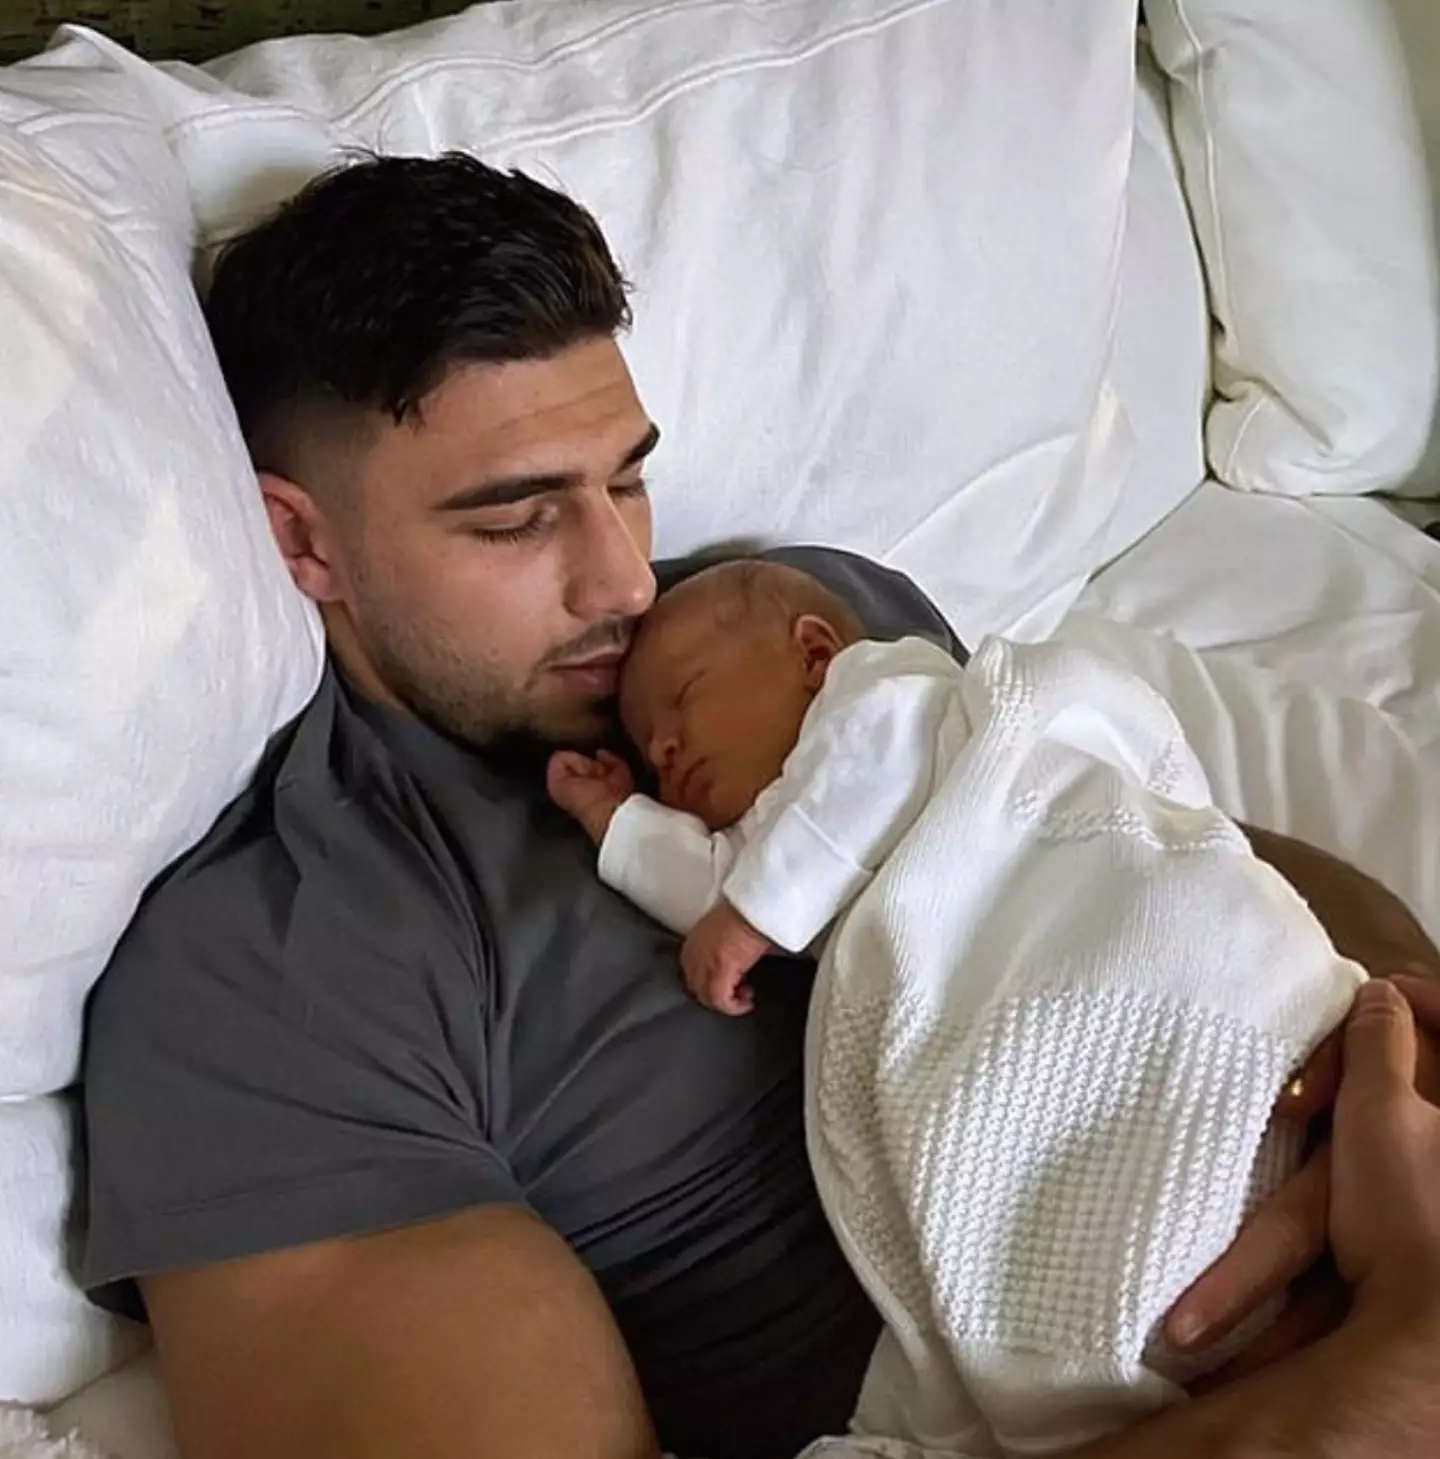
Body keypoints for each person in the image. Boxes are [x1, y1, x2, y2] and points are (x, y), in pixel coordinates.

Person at [77, 154, 1440, 1459]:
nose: (622, 580)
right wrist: (1387, 1380)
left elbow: (1153, 843)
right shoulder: (284, 970)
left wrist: (1395, 1027)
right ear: (304, 537)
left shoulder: (781, 628)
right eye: (515, 520)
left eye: (626, 476)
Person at [548, 559, 1367, 1453]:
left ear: (814, 654)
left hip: (1094, 907)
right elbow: (720, 892)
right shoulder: (776, 840)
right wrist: (617, 822)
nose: (663, 749)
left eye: (684, 698)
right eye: (649, 746)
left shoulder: (890, 699)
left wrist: (752, 915)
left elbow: (857, 783)